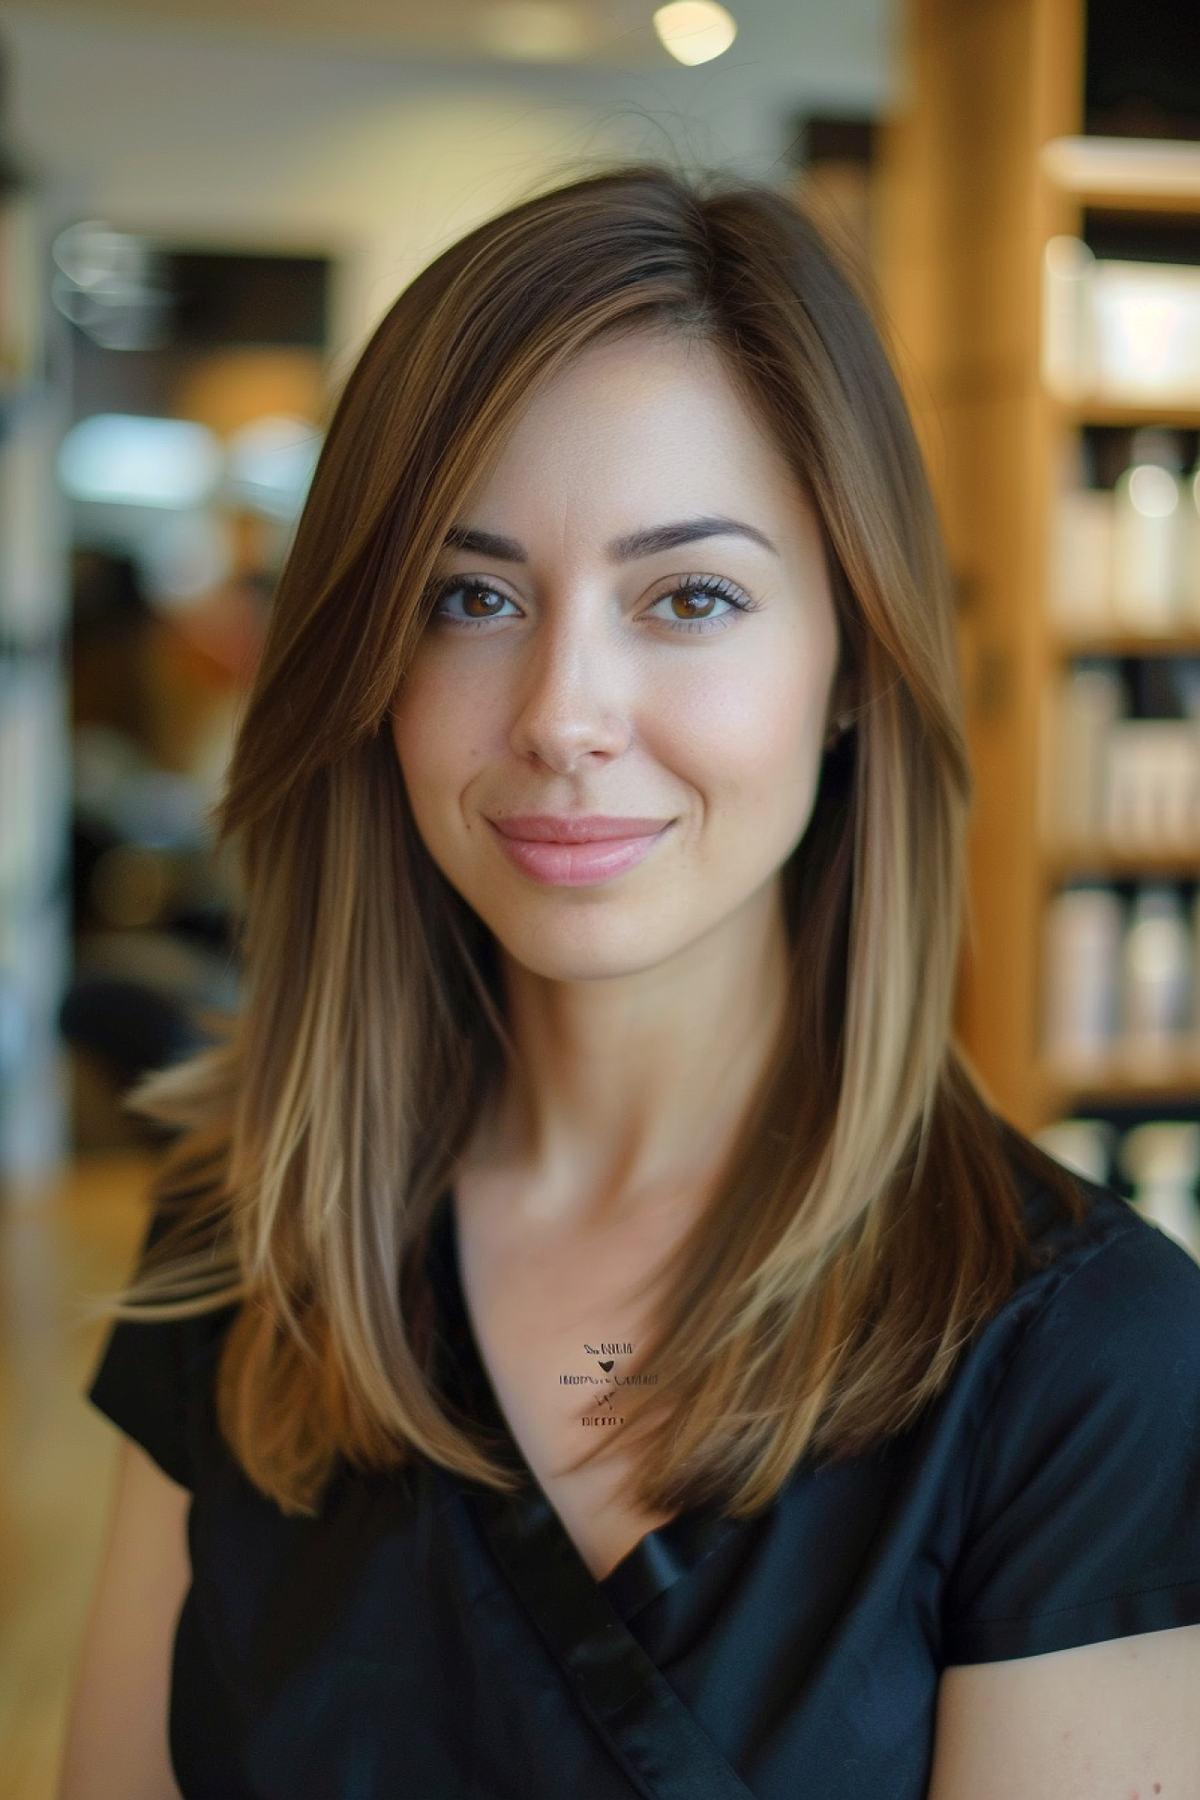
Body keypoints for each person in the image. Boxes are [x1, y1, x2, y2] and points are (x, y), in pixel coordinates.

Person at [61, 160, 1200, 1800]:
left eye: (690, 598)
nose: (561, 712)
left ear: (852, 667)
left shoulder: (1093, 1364)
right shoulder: (246, 1237)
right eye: (471, 598)